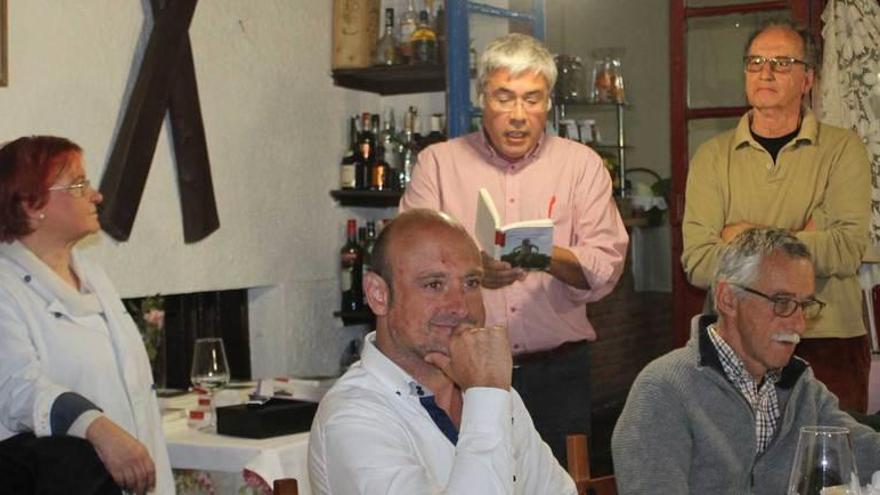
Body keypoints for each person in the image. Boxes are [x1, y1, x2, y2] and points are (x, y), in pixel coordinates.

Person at [399, 32, 628, 463]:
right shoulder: (439, 164)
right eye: (505, 98)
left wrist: (544, 255)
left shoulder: (581, 166)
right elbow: (408, 263)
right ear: (482, 97)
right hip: (459, 371)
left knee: (560, 484)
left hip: (557, 374)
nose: (519, 115)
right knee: (467, 484)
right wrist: (473, 272)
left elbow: (606, 265)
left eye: (533, 99)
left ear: (549, 103)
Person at [308, 209, 575, 495]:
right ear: (378, 294)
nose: (460, 307)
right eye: (434, 285)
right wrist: (485, 394)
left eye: (471, 283)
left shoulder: (493, 393)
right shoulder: (353, 416)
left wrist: (486, 394)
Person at [681, 21, 871, 412]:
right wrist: (802, 241)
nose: (765, 73)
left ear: (807, 80)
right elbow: (699, 263)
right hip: (736, 343)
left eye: (782, 63)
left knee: (829, 465)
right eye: (755, 62)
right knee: (736, 467)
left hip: (825, 338)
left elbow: (846, 249)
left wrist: (744, 236)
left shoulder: (842, 149)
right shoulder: (712, 157)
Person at [613, 228, 880, 494]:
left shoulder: (801, 388)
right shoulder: (664, 391)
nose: (799, 323)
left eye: (805, 305)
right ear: (728, 299)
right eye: (782, 302)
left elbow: (870, 455)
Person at [0, 136, 174, 494]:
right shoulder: (5, 288)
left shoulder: (94, 275)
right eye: (79, 185)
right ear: (33, 205)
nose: (95, 195)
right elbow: (19, 388)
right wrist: (97, 427)